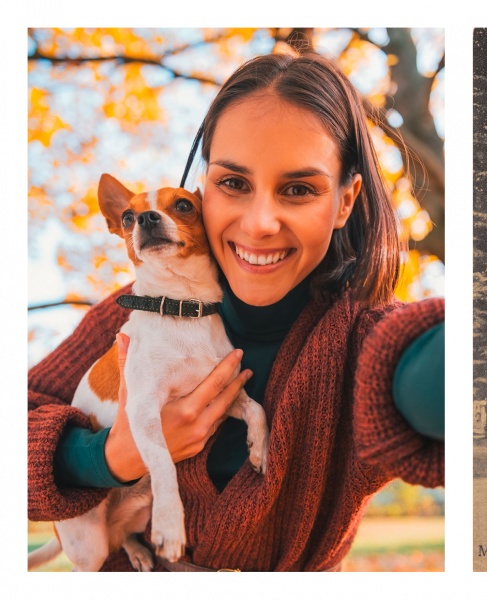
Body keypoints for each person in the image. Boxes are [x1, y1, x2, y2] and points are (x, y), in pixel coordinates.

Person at [28, 50, 445, 572]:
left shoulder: (363, 342)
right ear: (204, 191)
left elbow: (432, 375)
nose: (259, 224)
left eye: (298, 189)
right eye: (234, 183)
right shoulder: (127, 314)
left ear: (344, 201)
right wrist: (107, 457)